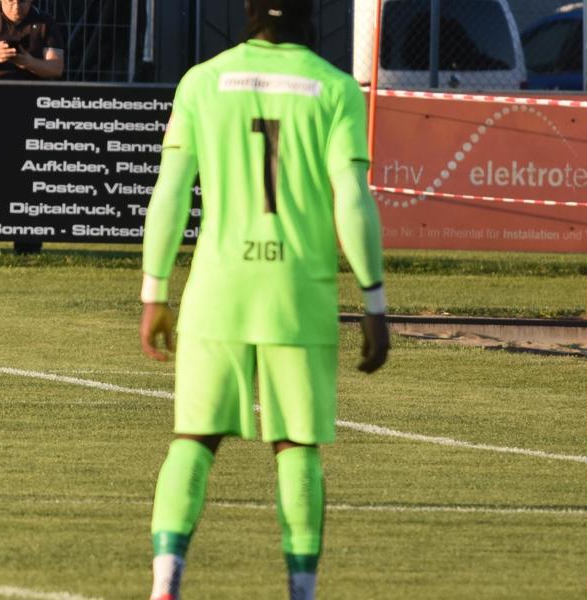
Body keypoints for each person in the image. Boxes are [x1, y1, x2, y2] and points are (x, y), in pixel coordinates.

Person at [138, 0, 390, 598]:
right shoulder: (334, 89)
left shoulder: (202, 82)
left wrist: (154, 292)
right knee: (297, 448)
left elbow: (170, 190)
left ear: (247, 13)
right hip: (298, 295)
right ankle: (301, 590)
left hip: (217, 291)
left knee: (194, 439)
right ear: (312, 17)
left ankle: (165, 582)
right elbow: (350, 199)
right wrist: (374, 300)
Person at [0, 0, 65, 256]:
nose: (16, 6)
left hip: (31, 107)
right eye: (11, 1)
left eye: (22, 1)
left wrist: (27, 61)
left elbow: (55, 67)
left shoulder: (45, 21)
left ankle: (28, 245)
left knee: (29, 177)